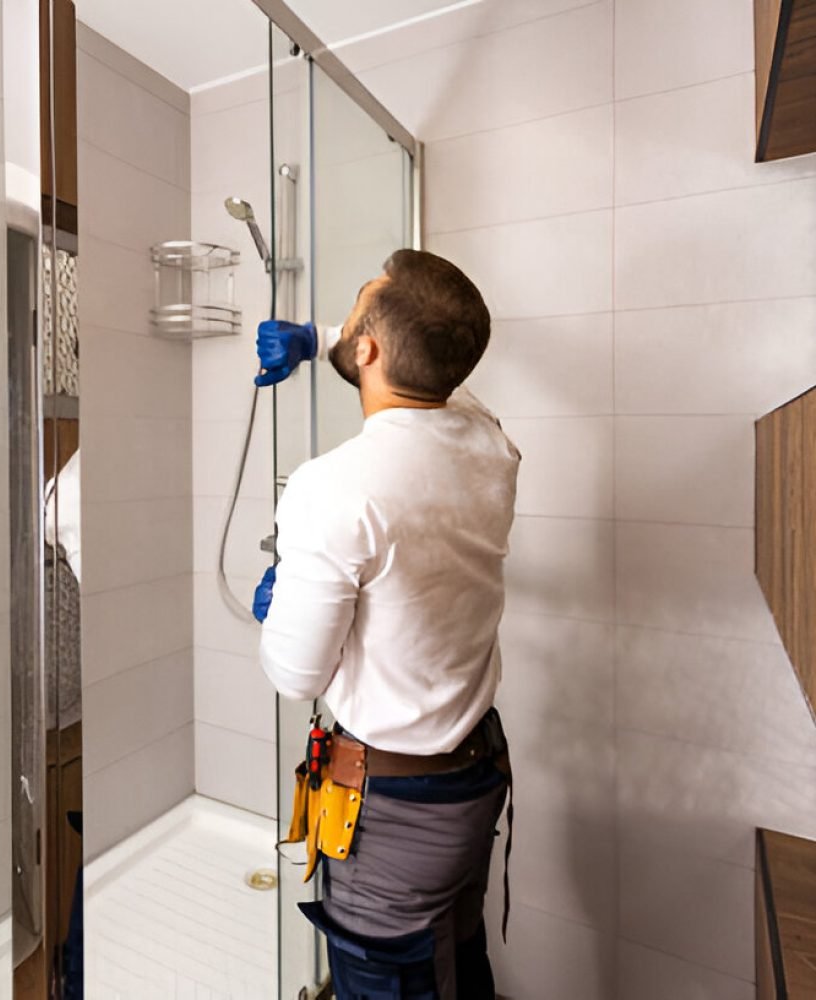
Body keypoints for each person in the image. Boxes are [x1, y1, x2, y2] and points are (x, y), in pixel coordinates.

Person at [252, 249, 520, 1000]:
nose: (348, 321)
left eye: (357, 311)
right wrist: (320, 334)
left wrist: (281, 607)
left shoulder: (332, 486)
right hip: (470, 780)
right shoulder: (489, 442)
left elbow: (295, 674)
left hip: (397, 818)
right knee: (458, 969)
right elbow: (431, 365)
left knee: (389, 984)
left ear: (368, 348)